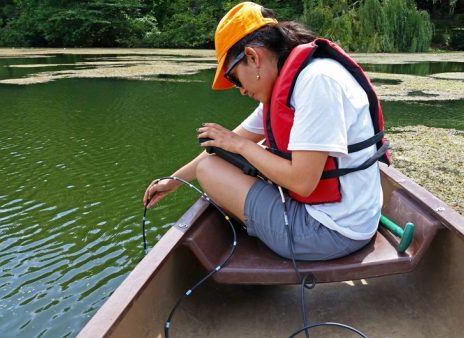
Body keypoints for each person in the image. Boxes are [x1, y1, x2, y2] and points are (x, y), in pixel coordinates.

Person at [143, 1, 390, 261]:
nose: (240, 89)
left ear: (253, 56)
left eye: (235, 77)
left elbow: (303, 183)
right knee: (228, 157)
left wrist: (240, 146)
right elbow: (225, 143)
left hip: (329, 231)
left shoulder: (316, 82)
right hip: (337, 219)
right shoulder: (287, 86)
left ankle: (261, 230)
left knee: (211, 169)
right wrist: (174, 181)